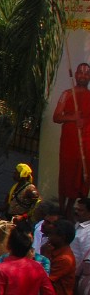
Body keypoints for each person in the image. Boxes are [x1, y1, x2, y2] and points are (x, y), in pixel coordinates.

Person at [52, 61, 90, 213]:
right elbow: (56, 117)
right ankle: (62, 208)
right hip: (69, 144)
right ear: (75, 75)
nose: (83, 75)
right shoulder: (67, 94)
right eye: (80, 72)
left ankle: (69, 209)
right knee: (66, 175)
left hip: (86, 144)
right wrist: (73, 118)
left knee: (80, 176)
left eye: (86, 73)